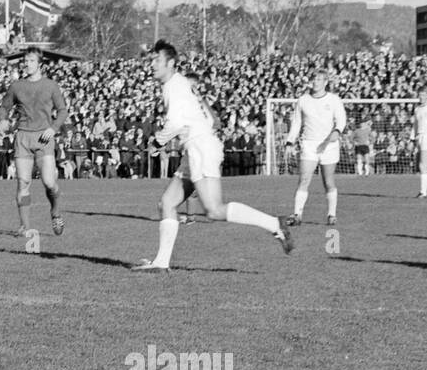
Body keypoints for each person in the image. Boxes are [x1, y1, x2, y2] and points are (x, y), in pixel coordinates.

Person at [133, 41, 294, 271]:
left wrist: (157, 142)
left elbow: (176, 123)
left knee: (214, 209)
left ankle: (274, 224)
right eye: (151, 60)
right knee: (167, 203)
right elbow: (204, 120)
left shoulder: (173, 86)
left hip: (201, 148)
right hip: (196, 148)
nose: (152, 65)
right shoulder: (177, 84)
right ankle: (160, 263)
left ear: (170, 63)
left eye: (156, 60)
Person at [0, 47, 68, 238]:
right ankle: (25, 227)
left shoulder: (51, 86)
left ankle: (55, 211)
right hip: (23, 137)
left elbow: (62, 110)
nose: (27, 64)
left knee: (49, 182)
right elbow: (3, 107)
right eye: (25, 61)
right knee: (23, 183)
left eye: (31, 61)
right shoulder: (17, 86)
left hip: (44, 137)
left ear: (40, 64)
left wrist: (53, 128)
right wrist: (2, 119)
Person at [283, 68, 348, 226]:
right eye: (314, 79)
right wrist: (290, 142)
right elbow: (297, 122)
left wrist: (337, 131)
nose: (315, 82)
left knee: (328, 181)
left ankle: (331, 215)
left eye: (319, 79)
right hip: (309, 144)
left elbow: (341, 120)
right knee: (304, 179)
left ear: (325, 82)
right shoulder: (303, 100)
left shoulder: (333, 100)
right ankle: (297, 215)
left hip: (329, 145)